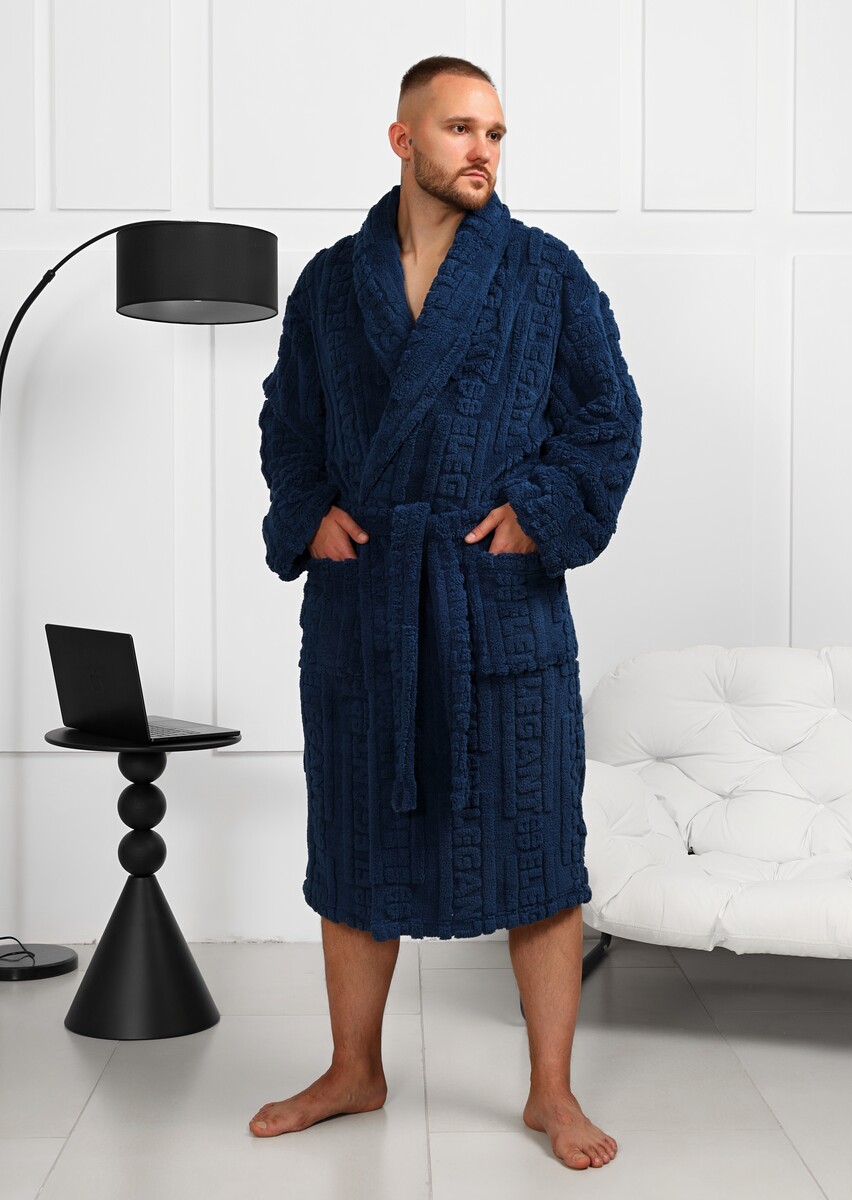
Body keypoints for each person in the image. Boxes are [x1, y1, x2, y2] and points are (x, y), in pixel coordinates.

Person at [249, 55, 641, 1172]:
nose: (484, 150)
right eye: (462, 128)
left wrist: (540, 510)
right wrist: (309, 514)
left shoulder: (544, 274)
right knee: (354, 839)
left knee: (537, 848)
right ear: (403, 139)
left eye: (497, 134)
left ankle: (550, 1092)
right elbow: (288, 422)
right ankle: (353, 1069)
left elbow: (609, 419)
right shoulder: (331, 285)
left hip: (495, 606)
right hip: (367, 603)